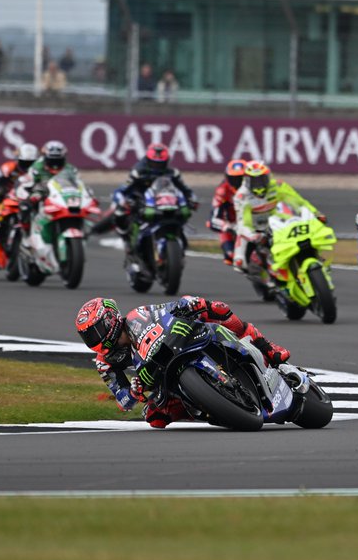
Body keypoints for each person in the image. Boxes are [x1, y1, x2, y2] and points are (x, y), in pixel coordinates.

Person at [76, 295, 290, 429]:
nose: (95, 339)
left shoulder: (137, 315)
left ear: (110, 319)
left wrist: (188, 305)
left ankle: (268, 348)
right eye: (89, 337)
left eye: (96, 331)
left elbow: (168, 308)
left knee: (217, 308)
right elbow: (123, 401)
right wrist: (133, 392)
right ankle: (211, 407)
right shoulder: (105, 362)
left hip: (178, 341)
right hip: (157, 374)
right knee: (154, 418)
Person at [231, 161, 321, 310]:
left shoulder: (278, 185)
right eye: (254, 180)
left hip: (280, 223)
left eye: (262, 178)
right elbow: (242, 222)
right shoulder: (241, 196)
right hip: (257, 230)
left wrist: (316, 213)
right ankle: (270, 281)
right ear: (246, 180)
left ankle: (315, 261)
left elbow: (299, 202)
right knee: (241, 263)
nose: (259, 183)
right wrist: (252, 235)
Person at [111, 143, 199, 276]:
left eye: (161, 163)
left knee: (182, 222)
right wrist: (124, 201)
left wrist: (192, 199)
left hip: (166, 204)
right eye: (155, 163)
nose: (158, 167)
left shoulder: (173, 173)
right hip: (143, 204)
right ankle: (127, 240)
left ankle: (177, 251)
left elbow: (185, 190)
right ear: (148, 160)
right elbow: (122, 190)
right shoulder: (138, 172)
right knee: (120, 213)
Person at [208, 158, 250, 265]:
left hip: (255, 222)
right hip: (233, 224)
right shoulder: (222, 190)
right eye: (233, 179)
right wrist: (227, 226)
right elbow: (213, 219)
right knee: (230, 256)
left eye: (240, 178)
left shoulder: (255, 187)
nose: (237, 182)